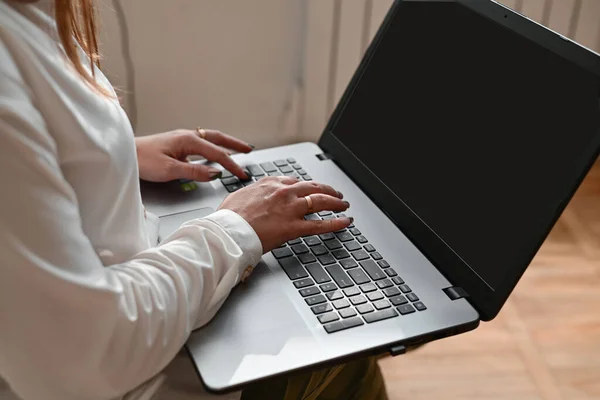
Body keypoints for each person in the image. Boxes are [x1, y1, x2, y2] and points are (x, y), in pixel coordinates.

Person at [0, 0, 389, 399]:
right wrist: (235, 229)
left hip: (152, 301)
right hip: (144, 377)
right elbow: (78, 361)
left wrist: (114, 155)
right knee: (350, 352)